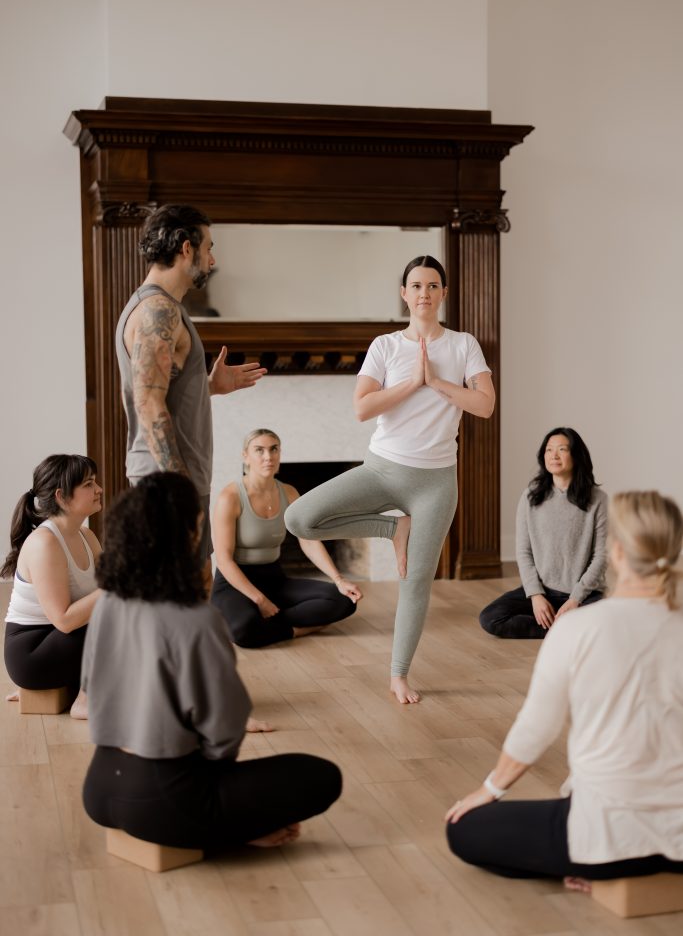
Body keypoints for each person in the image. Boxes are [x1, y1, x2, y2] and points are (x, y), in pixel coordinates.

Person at [81, 472, 342, 852]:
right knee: (322, 776)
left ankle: (215, 821)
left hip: (100, 787)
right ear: (187, 534)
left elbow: (91, 686)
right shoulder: (195, 619)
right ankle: (224, 830)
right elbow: (225, 729)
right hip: (165, 801)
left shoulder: (108, 602)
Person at [445, 491, 683, 889]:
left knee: (464, 828)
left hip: (608, 842)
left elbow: (536, 729)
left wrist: (489, 790)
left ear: (618, 553)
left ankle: (580, 868)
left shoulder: (577, 628)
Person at [285, 255, 495, 704]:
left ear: (442, 293)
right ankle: (391, 527)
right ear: (404, 293)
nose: (424, 293)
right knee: (300, 518)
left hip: (436, 482)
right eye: (415, 285)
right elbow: (362, 408)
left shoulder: (463, 345)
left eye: (432, 285)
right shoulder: (385, 346)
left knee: (415, 581)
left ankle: (399, 675)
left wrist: (437, 382)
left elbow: (484, 405)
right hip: (381, 469)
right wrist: (412, 383)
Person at [115, 204, 267, 579]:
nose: (212, 259)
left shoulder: (163, 308)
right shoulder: (157, 311)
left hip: (173, 479)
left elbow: (161, 391)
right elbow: (148, 403)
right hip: (166, 483)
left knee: (195, 587)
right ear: (186, 248)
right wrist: (177, 492)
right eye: (209, 247)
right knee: (179, 597)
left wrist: (207, 387)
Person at [211, 429, 362, 647]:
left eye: (274, 449)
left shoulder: (289, 492)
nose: (268, 457)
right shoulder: (231, 497)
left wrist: (339, 580)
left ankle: (264, 625)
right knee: (243, 631)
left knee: (344, 600)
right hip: (235, 585)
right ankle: (294, 629)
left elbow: (308, 541)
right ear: (246, 456)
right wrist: (260, 600)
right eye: (259, 450)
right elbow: (224, 561)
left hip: (274, 580)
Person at [479, 428, 607, 638]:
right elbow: (523, 551)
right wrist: (536, 595)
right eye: (548, 450)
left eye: (562, 449)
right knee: (491, 617)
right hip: (543, 590)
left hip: (585, 594)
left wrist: (575, 599)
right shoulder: (530, 496)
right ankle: (564, 629)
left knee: (611, 618)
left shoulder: (598, 499)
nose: (553, 455)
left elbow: (601, 556)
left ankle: (565, 625)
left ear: (576, 455)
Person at [2, 455, 102, 718]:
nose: (99, 489)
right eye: (89, 484)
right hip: (32, 653)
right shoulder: (44, 543)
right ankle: (85, 700)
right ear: (62, 496)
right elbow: (65, 620)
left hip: (60, 643)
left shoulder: (87, 536)